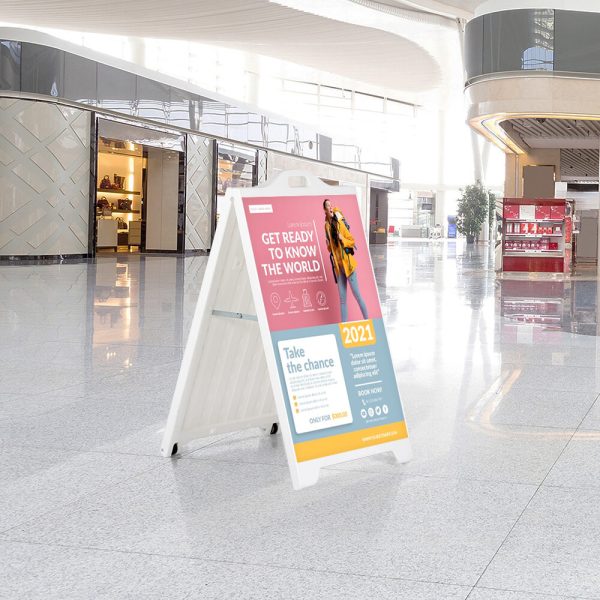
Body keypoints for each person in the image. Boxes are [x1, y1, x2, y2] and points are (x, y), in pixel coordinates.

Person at [323, 199, 369, 322]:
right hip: (339, 268)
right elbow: (331, 250)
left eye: (331, 205)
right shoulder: (326, 226)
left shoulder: (340, 223)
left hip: (348, 265)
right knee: (342, 300)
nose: (330, 207)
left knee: (357, 296)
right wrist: (328, 245)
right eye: (328, 206)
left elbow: (352, 240)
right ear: (325, 210)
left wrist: (342, 238)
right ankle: (344, 327)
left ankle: (367, 321)